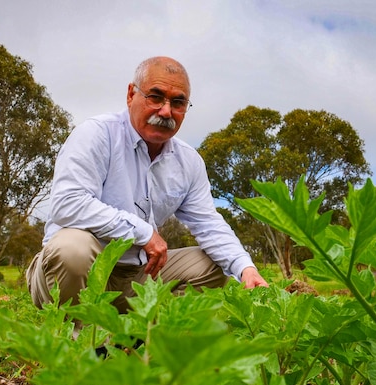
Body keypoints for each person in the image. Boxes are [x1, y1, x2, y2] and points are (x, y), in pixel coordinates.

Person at [27, 56, 268, 312]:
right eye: (155, 97)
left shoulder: (188, 162)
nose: (166, 112)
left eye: (178, 102)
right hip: (75, 275)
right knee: (72, 247)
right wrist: (142, 232)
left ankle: (145, 338)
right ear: (131, 94)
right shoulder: (96, 134)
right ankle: (79, 340)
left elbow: (208, 223)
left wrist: (245, 268)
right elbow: (68, 204)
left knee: (210, 265)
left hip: (138, 276)